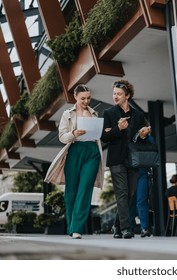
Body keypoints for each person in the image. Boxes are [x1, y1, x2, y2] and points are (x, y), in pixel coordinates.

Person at [44, 84, 104, 239]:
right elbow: (62, 137)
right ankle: (71, 226)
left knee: (85, 189)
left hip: (92, 152)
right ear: (75, 97)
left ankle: (77, 228)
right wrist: (73, 133)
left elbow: (97, 134)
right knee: (71, 192)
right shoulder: (67, 114)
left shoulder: (95, 114)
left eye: (89, 98)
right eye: (83, 98)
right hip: (75, 150)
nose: (86, 101)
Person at [101, 79, 151, 239]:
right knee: (122, 194)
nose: (115, 96)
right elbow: (105, 137)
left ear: (127, 95)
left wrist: (142, 135)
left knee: (129, 195)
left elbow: (138, 139)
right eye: (114, 93)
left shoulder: (138, 115)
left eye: (119, 94)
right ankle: (125, 229)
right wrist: (117, 129)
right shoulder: (109, 113)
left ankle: (116, 226)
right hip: (116, 159)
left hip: (134, 159)